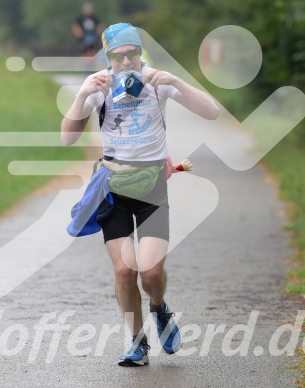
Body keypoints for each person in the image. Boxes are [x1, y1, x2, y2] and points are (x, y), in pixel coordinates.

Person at [61, 23, 219, 366]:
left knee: (149, 274)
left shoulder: (155, 82)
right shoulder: (99, 87)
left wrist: (174, 81)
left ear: (139, 52)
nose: (127, 62)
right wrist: (80, 96)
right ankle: (137, 341)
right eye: (118, 56)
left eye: (133, 53)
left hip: (152, 189)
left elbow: (212, 112)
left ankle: (160, 308)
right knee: (123, 270)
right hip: (113, 189)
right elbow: (67, 138)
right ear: (108, 58)